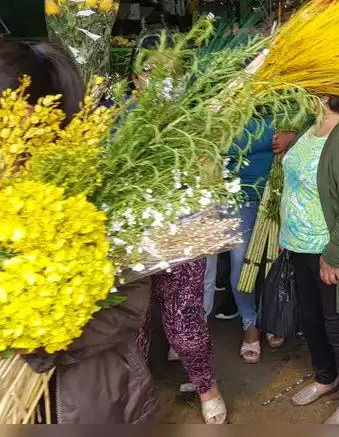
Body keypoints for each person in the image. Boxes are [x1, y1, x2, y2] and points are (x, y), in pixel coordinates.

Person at [0, 37, 157, 423]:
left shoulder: (88, 197)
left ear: (23, 117)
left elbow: (124, 308)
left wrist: (9, 329)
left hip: (84, 405)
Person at [129, 67, 226, 424]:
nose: (156, 80)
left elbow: (213, 184)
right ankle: (137, 395)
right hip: (134, 245)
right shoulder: (122, 123)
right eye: (147, 71)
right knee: (133, 326)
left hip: (184, 239)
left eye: (166, 71)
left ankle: (207, 387)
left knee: (184, 326)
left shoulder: (197, 126)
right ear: (135, 79)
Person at [284, 95, 339, 425]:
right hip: (299, 246)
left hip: (330, 251)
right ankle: (326, 377)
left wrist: (333, 256)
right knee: (312, 320)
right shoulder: (313, 124)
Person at [206, 116, 288, 363]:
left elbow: (305, 124)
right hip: (238, 196)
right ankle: (250, 324)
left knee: (277, 258)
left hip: (279, 190)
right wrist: (268, 136)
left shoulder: (281, 94)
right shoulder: (223, 98)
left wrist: (291, 136)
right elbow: (217, 143)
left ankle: (275, 317)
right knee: (241, 262)